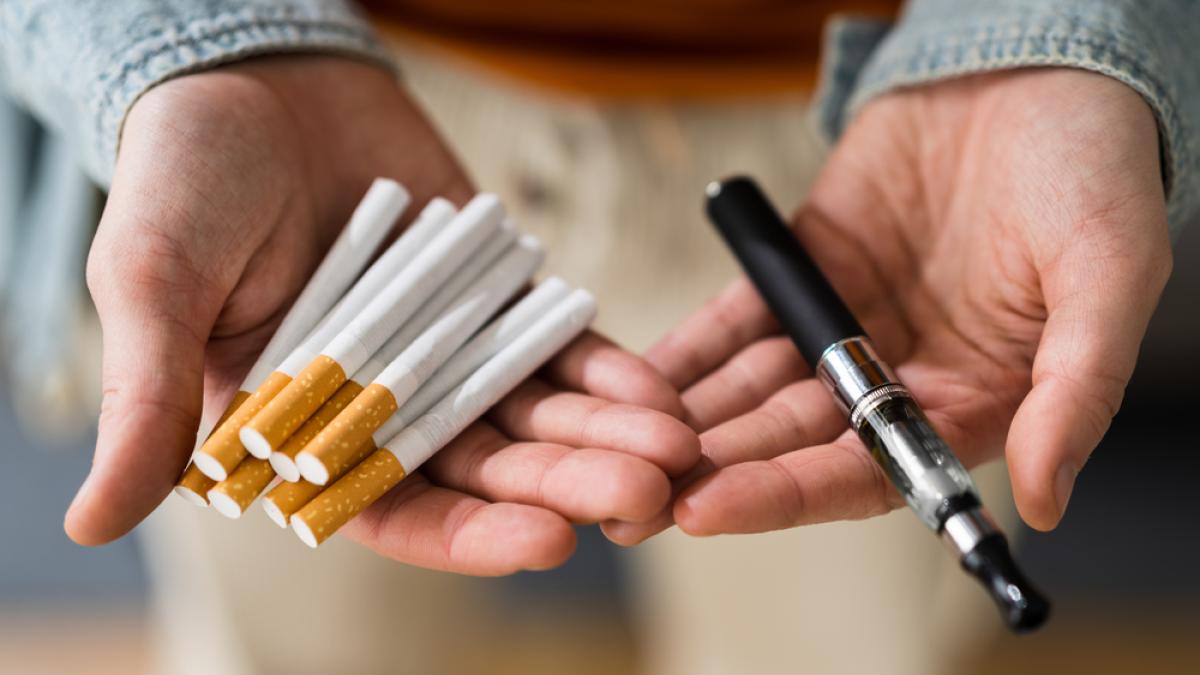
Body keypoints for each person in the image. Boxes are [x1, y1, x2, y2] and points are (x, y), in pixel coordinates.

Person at [2, 1, 1196, 673]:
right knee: (299, 640)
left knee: (833, 645)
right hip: (324, 102)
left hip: (882, 127)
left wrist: (1069, 28)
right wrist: (183, 40)